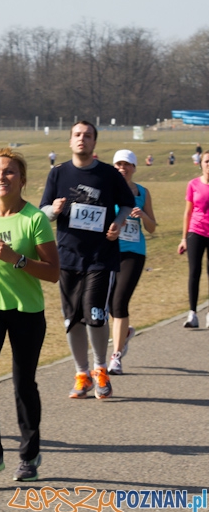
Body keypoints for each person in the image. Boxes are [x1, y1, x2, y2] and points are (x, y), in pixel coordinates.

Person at [0, 148, 59, 484]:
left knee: (22, 384)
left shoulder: (35, 219)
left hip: (26, 311)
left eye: (9, 172)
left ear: (22, 179)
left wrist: (17, 259)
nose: (2, 178)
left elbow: (53, 272)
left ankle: (30, 456)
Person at [39, 120, 135, 400]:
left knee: (95, 314)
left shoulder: (108, 174)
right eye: (77, 135)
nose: (82, 139)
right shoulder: (58, 174)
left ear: (94, 142)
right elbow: (42, 211)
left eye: (88, 135)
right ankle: (82, 374)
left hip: (100, 257)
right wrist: (53, 211)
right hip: (67, 256)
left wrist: (118, 222)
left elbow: (127, 202)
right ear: (70, 141)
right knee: (72, 319)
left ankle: (100, 368)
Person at [108, 150, 156, 375]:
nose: (122, 168)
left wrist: (142, 216)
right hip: (109, 252)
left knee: (119, 302)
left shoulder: (143, 192)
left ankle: (116, 356)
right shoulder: (108, 190)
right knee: (107, 303)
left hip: (134, 253)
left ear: (134, 168)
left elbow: (152, 227)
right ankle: (124, 332)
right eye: (118, 164)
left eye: (127, 165)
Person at [177, 151, 209, 328]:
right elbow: (188, 212)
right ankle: (193, 314)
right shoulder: (193, 184)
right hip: (195, 232)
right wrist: (183, 239)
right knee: (194, 272)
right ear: (201, 163)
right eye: (207, 161)